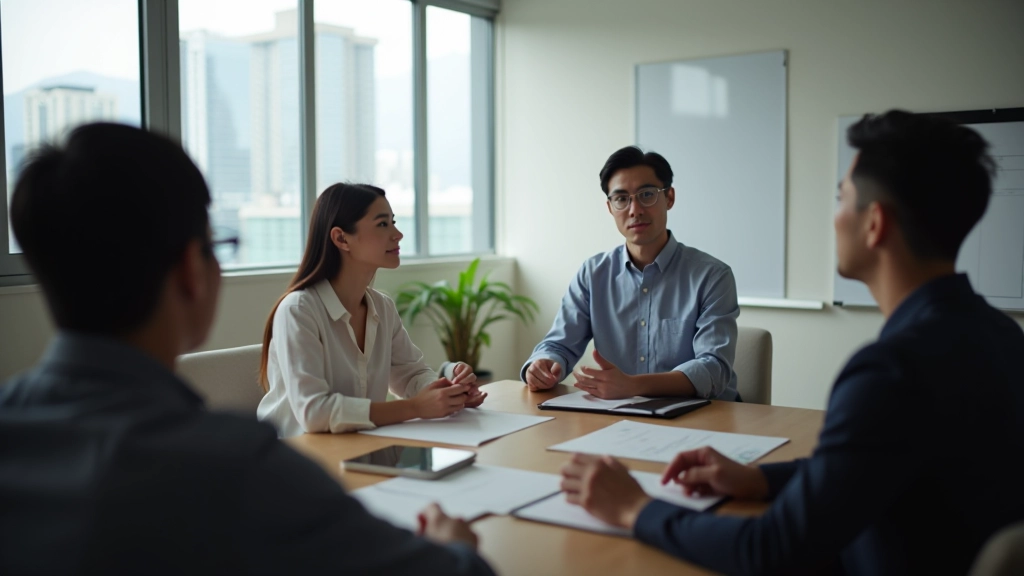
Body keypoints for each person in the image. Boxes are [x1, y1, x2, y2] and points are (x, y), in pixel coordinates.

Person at [0, 123, 494, 575]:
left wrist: (441, 386)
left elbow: (410, 371)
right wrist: (459, 547)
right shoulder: (241, 470)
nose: (396, 234)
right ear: (194, 270)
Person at [559, 110, 1024, 575]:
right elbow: (871, 466)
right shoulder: (1002, 335)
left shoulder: (890, 373)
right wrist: (759, 477)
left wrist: (635, 509)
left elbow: (770, 548)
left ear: (874, 223)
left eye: (841, 198)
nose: (834, 215)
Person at [256, 183, 485, 438]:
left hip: (358, 449)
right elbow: (314, 412)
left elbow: (410, 375)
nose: (398, 234)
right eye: (382, 224)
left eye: (393, 222)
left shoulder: (382, 306)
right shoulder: (298, 310)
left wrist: (448, 391)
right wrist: (415, 408)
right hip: (297, 460)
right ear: (341, 238)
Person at [521, 146, 739, 400]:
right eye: (622, 199)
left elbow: (714, 368)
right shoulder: (593, 274)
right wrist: (543, 364)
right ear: (610, 207)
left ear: (669, 197)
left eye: (647, 194)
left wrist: (634, 386)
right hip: (621, 418)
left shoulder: (712, 276)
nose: (634, 209)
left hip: (705, 417)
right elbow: (558, 344)